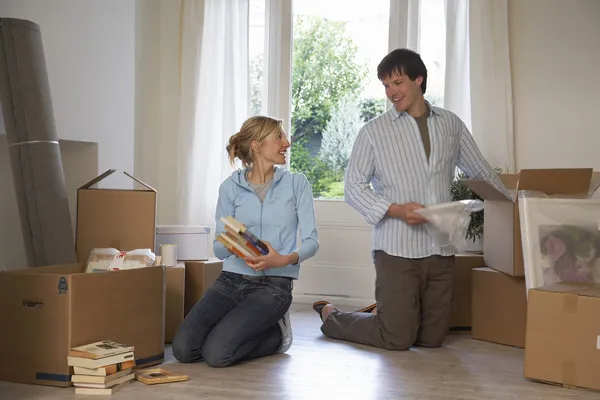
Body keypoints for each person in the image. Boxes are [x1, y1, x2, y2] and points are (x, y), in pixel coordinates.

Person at [312, 48, 510, 351]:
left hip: (441, 246)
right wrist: (396, 210)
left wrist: (514, 207)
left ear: (418, 79)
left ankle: (388, 314)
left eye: (397, 83)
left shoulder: (451, 125)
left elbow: (481, 173)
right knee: (398, 339)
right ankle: (332, 316)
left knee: (432, 339)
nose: (391, 92)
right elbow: (352, 187)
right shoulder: (374, 132)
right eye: (386, 86)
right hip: (396, 249)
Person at [172, 115, 319, 367]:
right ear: (257, 144)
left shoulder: (296, 183)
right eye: (279, 136)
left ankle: (278, 335)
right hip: (230, 281)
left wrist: (283, 259)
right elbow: (218, 251)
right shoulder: (230, 188)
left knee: (217, 354)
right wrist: (234, 241)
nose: (287, 142)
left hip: (273, 286)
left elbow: (311, 241)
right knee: (183, 350)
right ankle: (236, 330)